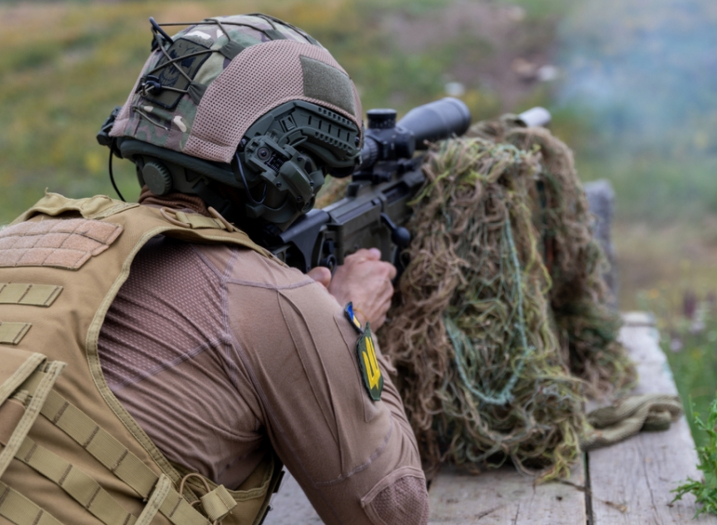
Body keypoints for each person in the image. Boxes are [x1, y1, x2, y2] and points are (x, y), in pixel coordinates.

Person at [0, 13, 428, 525]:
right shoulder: (265, 297)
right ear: (283, 170)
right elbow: (392, 512)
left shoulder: (22, 237)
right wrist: (350, 327)